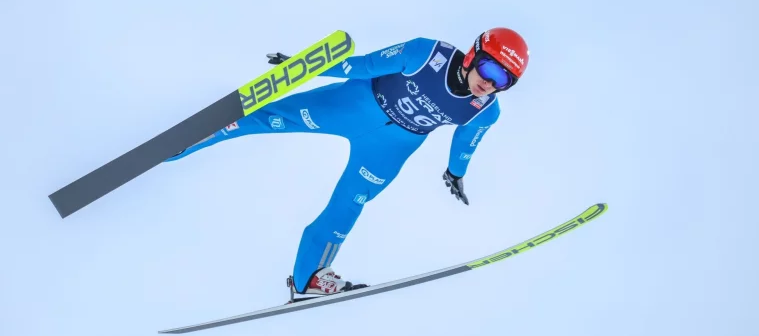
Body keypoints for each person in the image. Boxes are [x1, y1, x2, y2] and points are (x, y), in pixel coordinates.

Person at [164, 27, 530, 298]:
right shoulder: (425, 53)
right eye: (489, 69)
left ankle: (309, 278)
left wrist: (455, 172)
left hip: (391, 148)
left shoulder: (485, 110)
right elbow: (362, 65)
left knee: (349, 205)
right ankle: (195, 138)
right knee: (270, 117)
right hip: (354, 106)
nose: (490, 83)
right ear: (472, 55)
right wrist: (302, 67)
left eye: (504, 81)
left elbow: (466, 142)